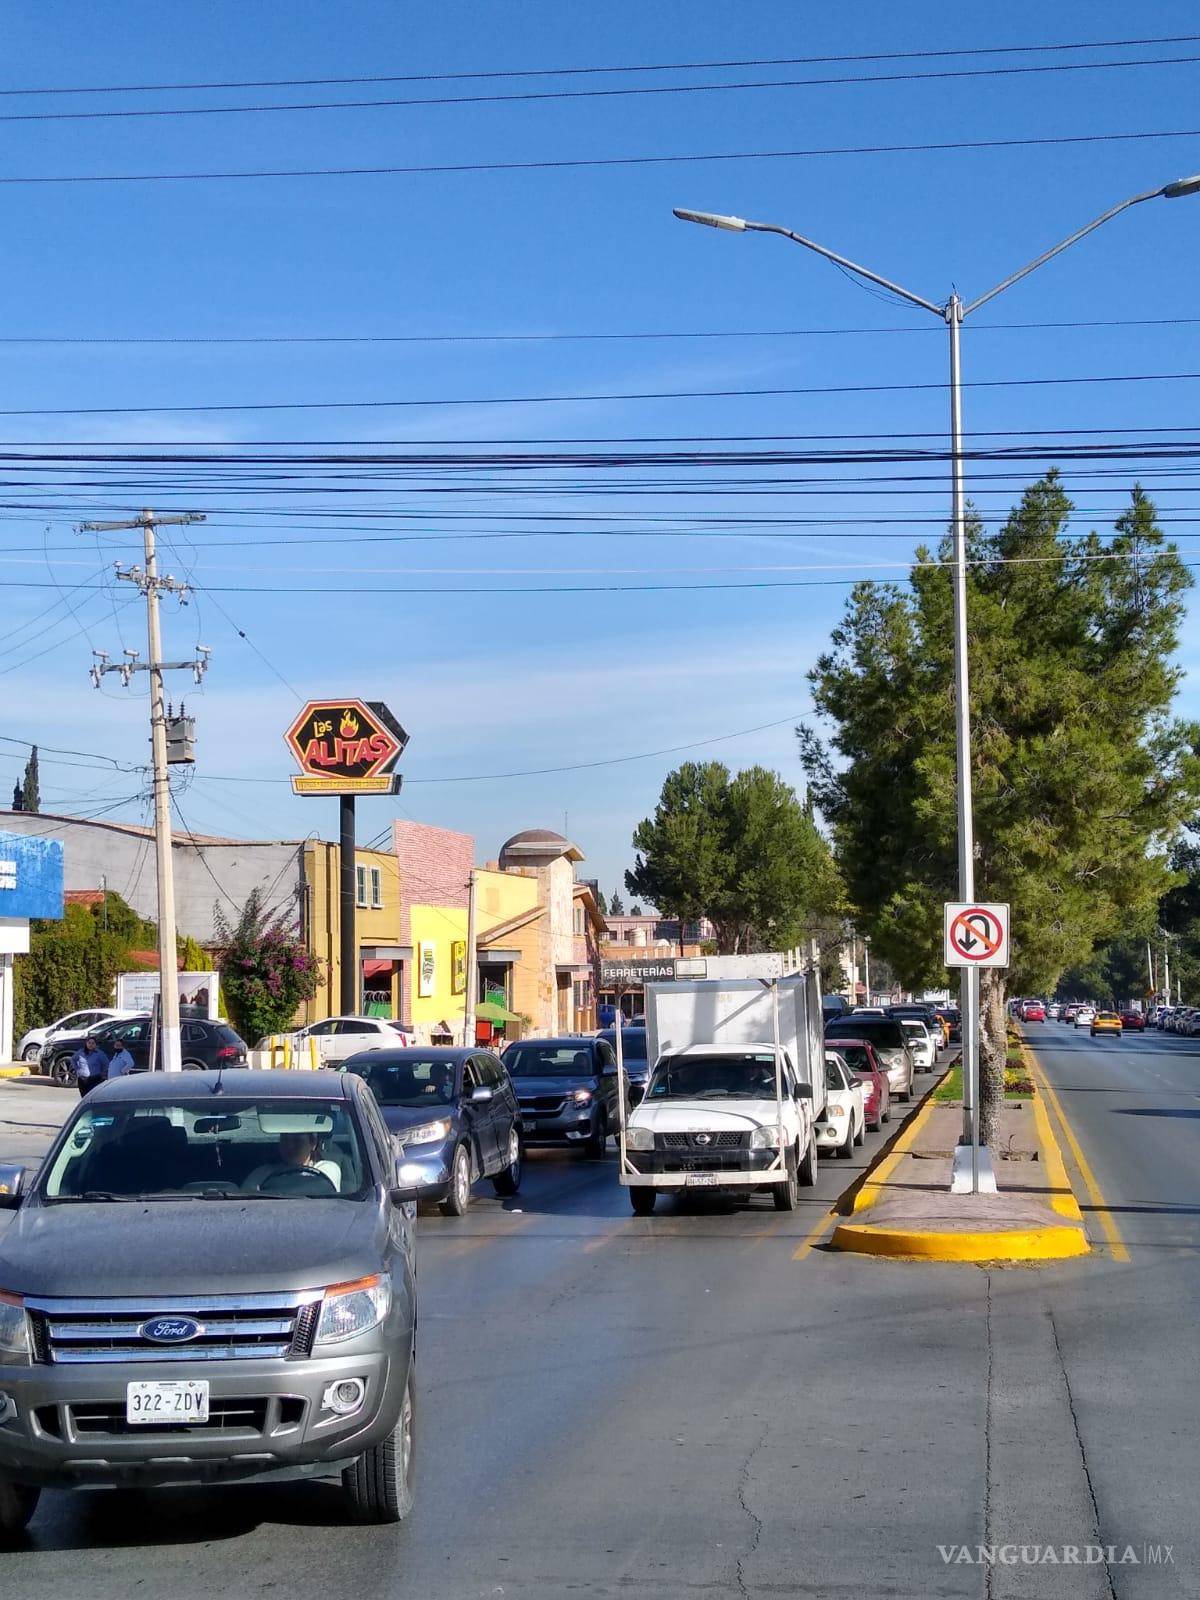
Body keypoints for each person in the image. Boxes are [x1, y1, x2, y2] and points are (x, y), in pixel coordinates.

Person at [243, 1130, 341, 1193]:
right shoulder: (263, 1173)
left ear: (313, 1143)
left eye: (297, 1140)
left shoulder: (327, 1168)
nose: (290, 1146)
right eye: (285, 1139)